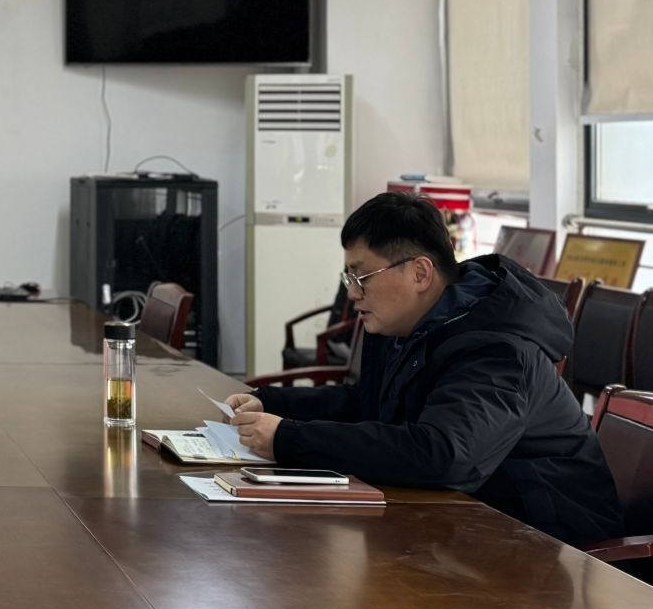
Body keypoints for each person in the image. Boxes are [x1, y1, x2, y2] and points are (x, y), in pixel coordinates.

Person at [226, 192, 624, 545]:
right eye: (349, 276)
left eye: (362, 276)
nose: (352, 293)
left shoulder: (497, 347)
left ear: (420, 273)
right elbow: (366, 404)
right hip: (466, 525)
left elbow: (446, 456)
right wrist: (272, 404)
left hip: (549, 545)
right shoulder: (407, 324)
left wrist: (289, 438)